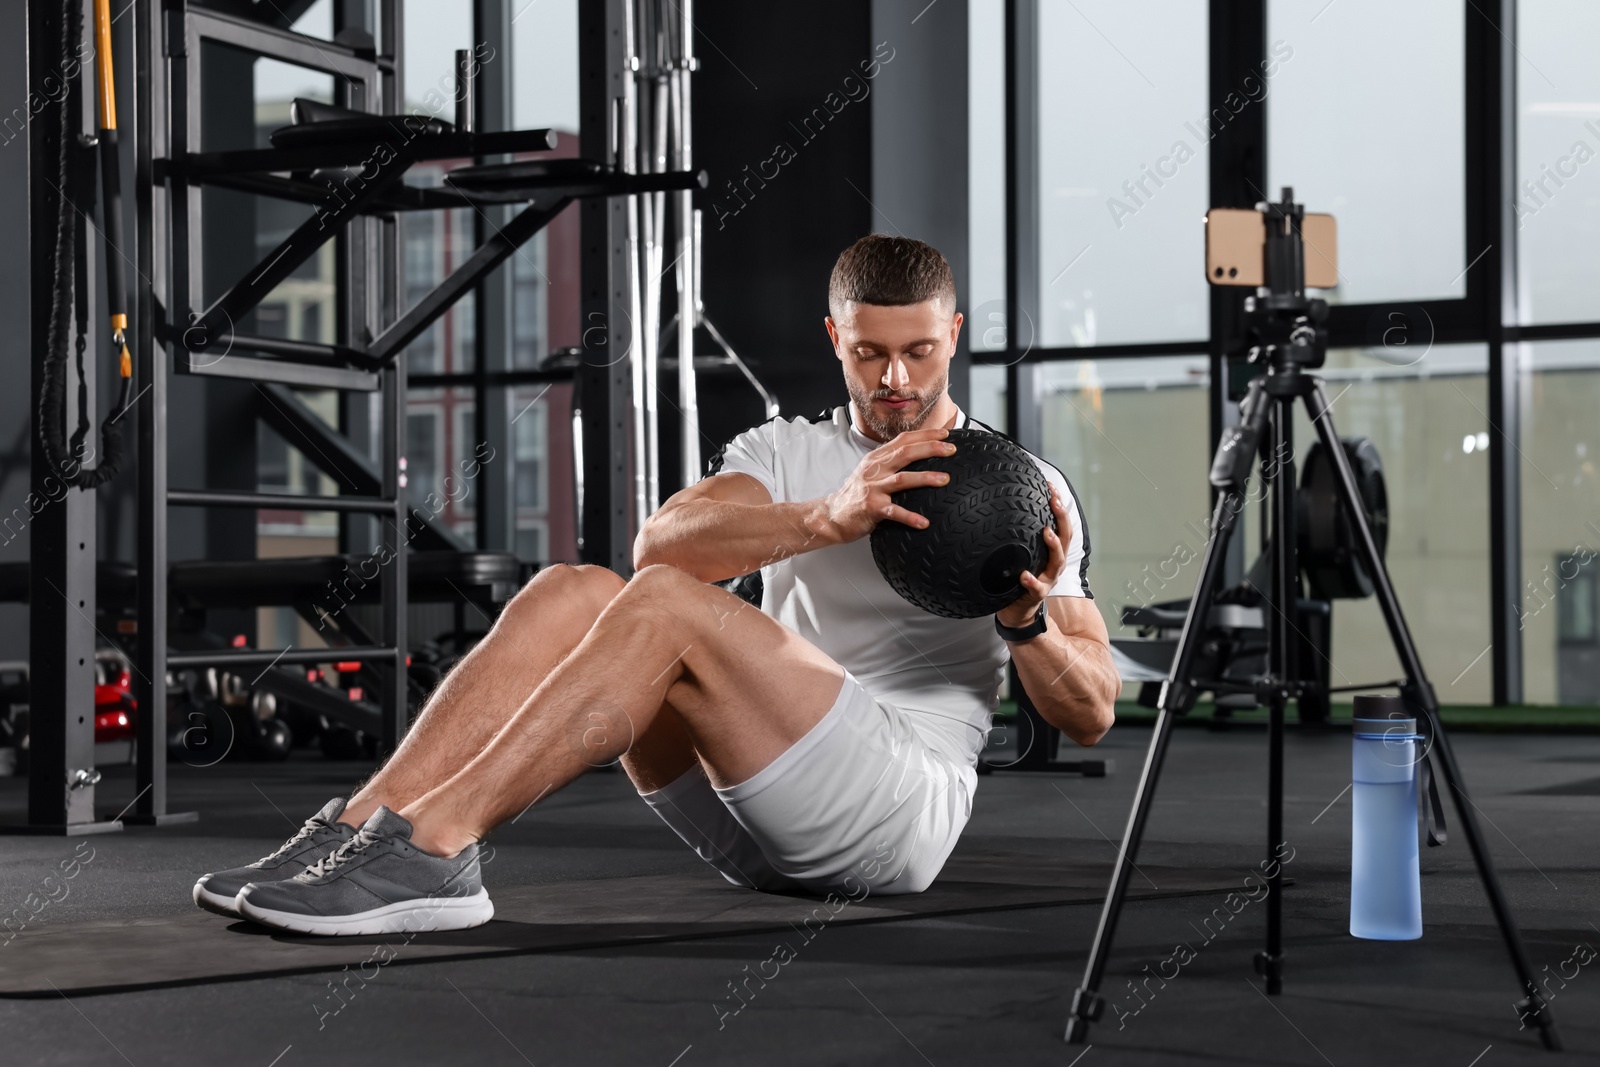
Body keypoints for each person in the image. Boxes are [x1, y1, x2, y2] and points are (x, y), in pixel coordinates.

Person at [192, 234, 1120, 936]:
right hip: (756, 806)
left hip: (895, 811)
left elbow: (1091, 713)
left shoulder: (1024, 489)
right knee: (574, 588)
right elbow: (660, 543)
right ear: (834, 335)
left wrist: (1025, 618)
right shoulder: (786, 450)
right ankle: (356, 829)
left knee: (670, 606)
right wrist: (824, 516)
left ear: (953, 333)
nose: (894, 379)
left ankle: (435, 850)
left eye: (918, 351)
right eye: (869, 353)